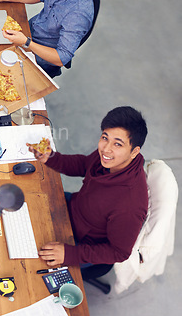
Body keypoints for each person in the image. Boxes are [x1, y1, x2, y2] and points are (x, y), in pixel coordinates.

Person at [30, 106, 148, 267]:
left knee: (31, 260)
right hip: (73, 207)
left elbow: (119, 252)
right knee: (26, 202)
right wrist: (51, 158)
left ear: (134, 152)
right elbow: (84, 164)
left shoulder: (130, 204)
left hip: (84, 246)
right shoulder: (111, 158)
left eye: (118, 144)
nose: (106, 149)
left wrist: (70, 254)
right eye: (105, 137)